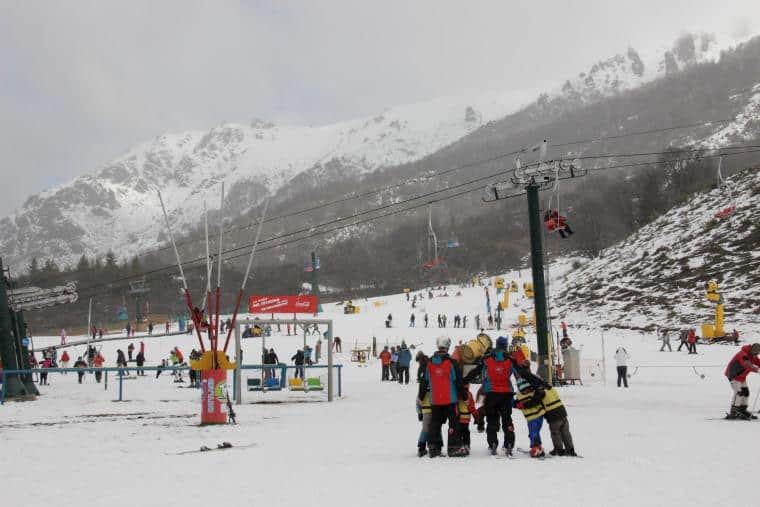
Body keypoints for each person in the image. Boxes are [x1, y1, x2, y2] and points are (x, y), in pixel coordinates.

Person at [464, 336, 518, 456]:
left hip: (491, 393)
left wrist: (465, 379)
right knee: (507, 419)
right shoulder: (510, 359)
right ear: (505, 345)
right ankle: (509, 443)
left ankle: (492, 443)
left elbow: (477, 371)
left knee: (492, 420)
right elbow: (519, 374)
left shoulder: (487, 359)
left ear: (496, 345)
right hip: (506, 393)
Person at [418, 337, 464, 457]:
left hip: (435, 400)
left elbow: (424, 381)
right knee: (453, 423)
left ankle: (434, 447)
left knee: (435, 423)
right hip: (450, 400)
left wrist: (421, 397)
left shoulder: (430, 363)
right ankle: (453, 448)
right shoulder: (452, 363)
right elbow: (458, 381)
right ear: (448, 346)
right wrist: (464, 396)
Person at [724, 343, 760, 419]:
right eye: (755, 353)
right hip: (733, 375)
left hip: (741, 376)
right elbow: (747, 364)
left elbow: (758, 362)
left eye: (757, 353)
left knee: (746, 392)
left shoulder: (753, 355)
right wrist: (757, 370)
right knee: (739, 392)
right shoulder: (743, 354)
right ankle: (734, 411)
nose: (756, 354)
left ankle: (742, 409)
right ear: (752, 350)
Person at [514, 376, 547, 457]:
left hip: (538, 415)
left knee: (534, 432)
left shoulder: (534, 393)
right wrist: (516, 404)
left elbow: (535, 401)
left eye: (527, 389)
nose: (526, 391)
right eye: (524, 390)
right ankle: (538, 446)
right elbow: (515, 403)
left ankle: (535, 447)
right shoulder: (519, 396)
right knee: (532, 433)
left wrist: (523, 405)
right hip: (529, 418)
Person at [457, 382, 480, 456]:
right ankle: (466, 445)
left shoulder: (456, 394)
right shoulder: (469, 394)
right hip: (466, 417)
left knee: (459, 432)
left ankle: (459, 445)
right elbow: (472, 407)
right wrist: (476, 415)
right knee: (466, 432)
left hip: (458, 417)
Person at [416, 375, 433, 457]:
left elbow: (418, 401)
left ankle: (422, 446)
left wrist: (419, 412)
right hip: (433, 409)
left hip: (426, 410)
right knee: (430, 429)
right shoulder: (434, 385)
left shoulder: (422, 388)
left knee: (426, 429)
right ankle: (423, 446)